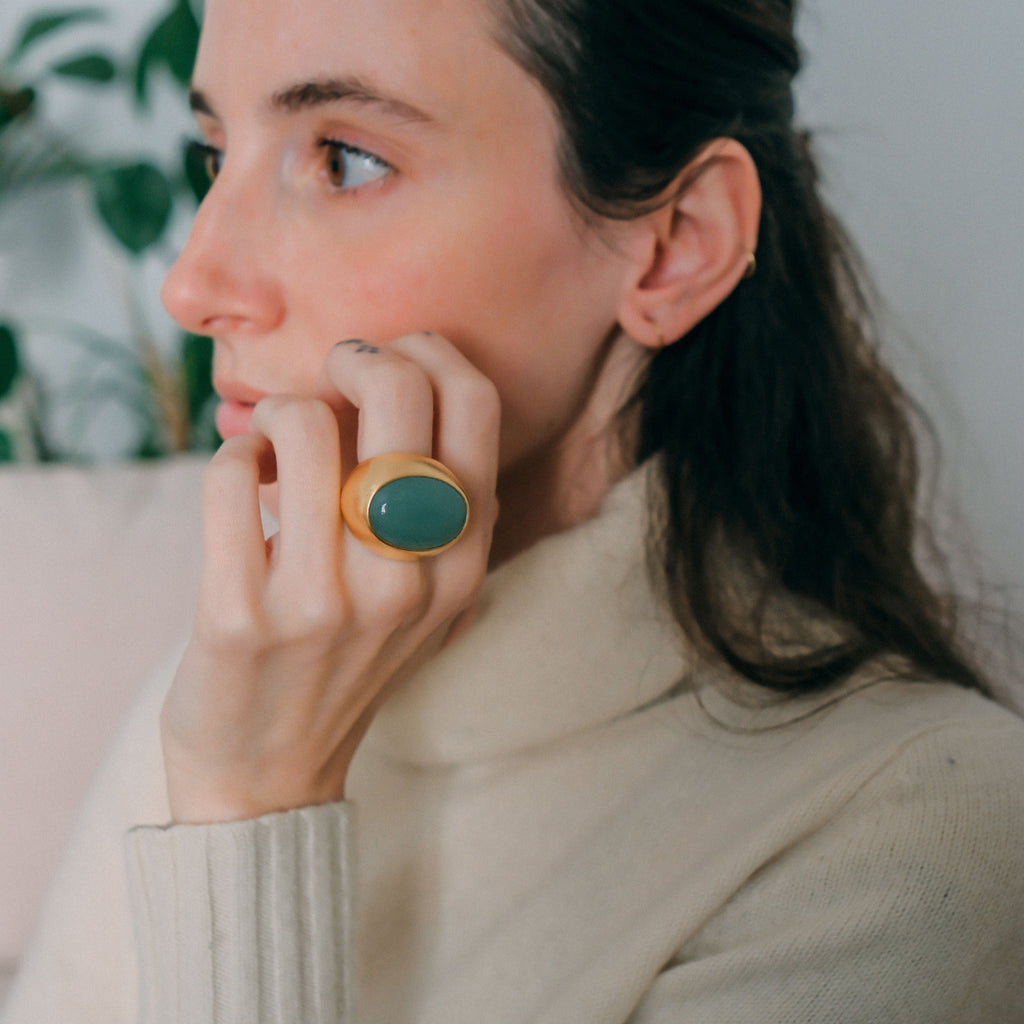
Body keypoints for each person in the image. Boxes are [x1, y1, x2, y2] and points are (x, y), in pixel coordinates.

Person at [5, 0, 1024, 1020]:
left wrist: (252, 808)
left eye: (346, 159)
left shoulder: (920, 819)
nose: (194, 283)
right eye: (212, 152)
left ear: (676, 245)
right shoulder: (240, 682)